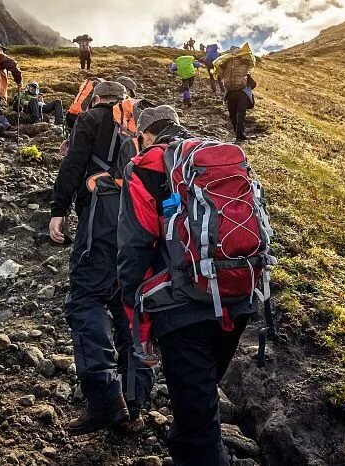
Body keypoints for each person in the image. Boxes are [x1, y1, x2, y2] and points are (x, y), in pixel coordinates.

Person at [118, 105, 258, 466]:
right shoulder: (215, 157)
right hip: (236, 295)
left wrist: (134, 309)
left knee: (196, 429)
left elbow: (135, 246)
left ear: (146, 135)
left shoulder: (147, 166)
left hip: (182, 308)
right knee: (200, 400)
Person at [48, 80, 151, 434]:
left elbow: (75, 163)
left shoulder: (91, 118)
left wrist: (58, 208)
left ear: (97, 99)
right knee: (129, 306)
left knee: (85, 298)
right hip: (141, 224)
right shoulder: (141, 121)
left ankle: (106, 401)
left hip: (101, 220)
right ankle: (133, 402)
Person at [218, 50, 257, 142]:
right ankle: (240, 135)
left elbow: (219, 74)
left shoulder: (225, 66)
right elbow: (253, 84)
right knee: (240, 114)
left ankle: (237, 133)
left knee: (232, 115)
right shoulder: (245, 65)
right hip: (241, 94)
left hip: (229, 93)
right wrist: (248, 86)